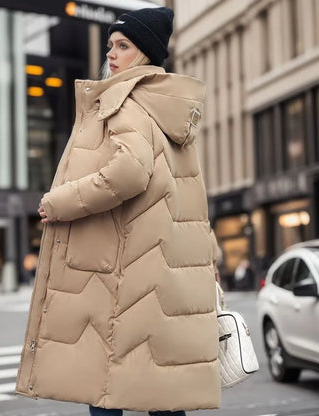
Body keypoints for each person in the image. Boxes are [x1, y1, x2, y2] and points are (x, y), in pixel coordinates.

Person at [16, 7, 220, 415]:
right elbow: (189, 202)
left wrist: (58, 202)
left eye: (123, 46)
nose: (111, 54)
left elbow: (129, 173)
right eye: (110, 45)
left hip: (123, 274)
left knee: (106, 391)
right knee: (161, 390)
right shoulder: (168, 110)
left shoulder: (126, 101)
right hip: (160, 274)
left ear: (144, 53)